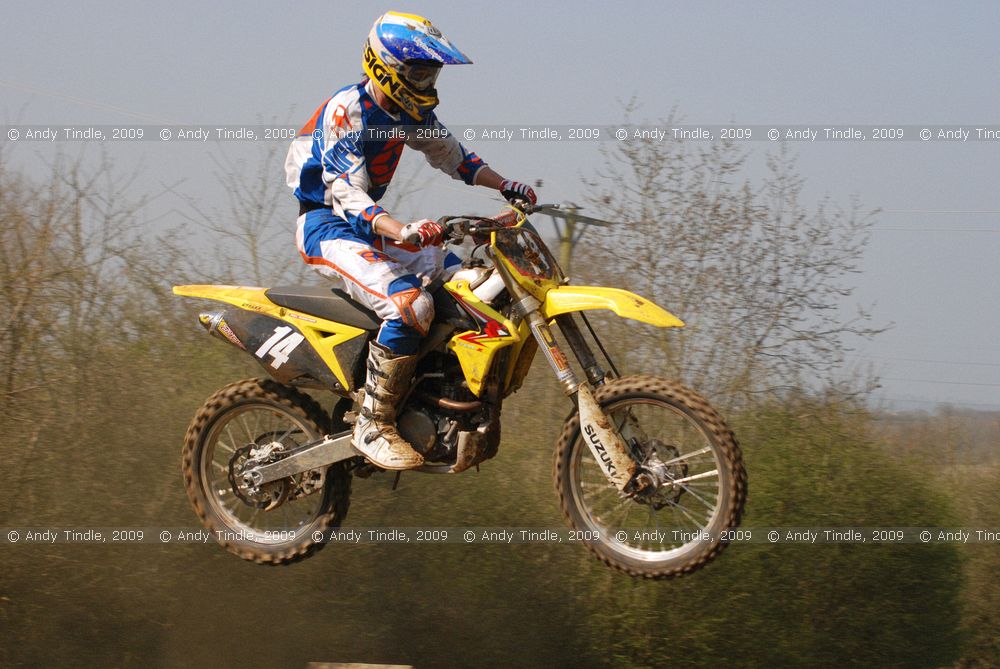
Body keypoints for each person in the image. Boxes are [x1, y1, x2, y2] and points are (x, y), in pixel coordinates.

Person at [285, 11, 536, 471]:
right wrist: (402, 230)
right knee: (410, 305)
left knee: (475, 283)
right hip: (328, 225)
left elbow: (454, 157)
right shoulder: (348, 109)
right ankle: (372, 423)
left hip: (372, 226)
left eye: (431, 74)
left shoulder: (408, 113)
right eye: (419, 72)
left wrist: (506, 186)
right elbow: (347, 194)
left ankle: (430, 393)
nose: (427, 82)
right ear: (386, 67)